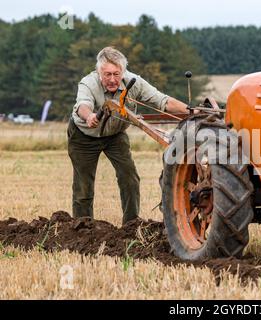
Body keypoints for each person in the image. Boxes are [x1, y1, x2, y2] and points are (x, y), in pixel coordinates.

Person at [68, 47, 189, 224]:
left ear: (123, 71)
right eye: (107, 74)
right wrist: (90, 116)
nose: (112, 79)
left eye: (116, 74)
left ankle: (131, 224)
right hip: (84, 136)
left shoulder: (134, 82)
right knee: (84, 186)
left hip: (115, 135)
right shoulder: (88, 83)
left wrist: (191, 111)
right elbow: (82, 106)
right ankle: (83, 227)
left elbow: (163, 101)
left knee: (130, 178)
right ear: (99, 72)